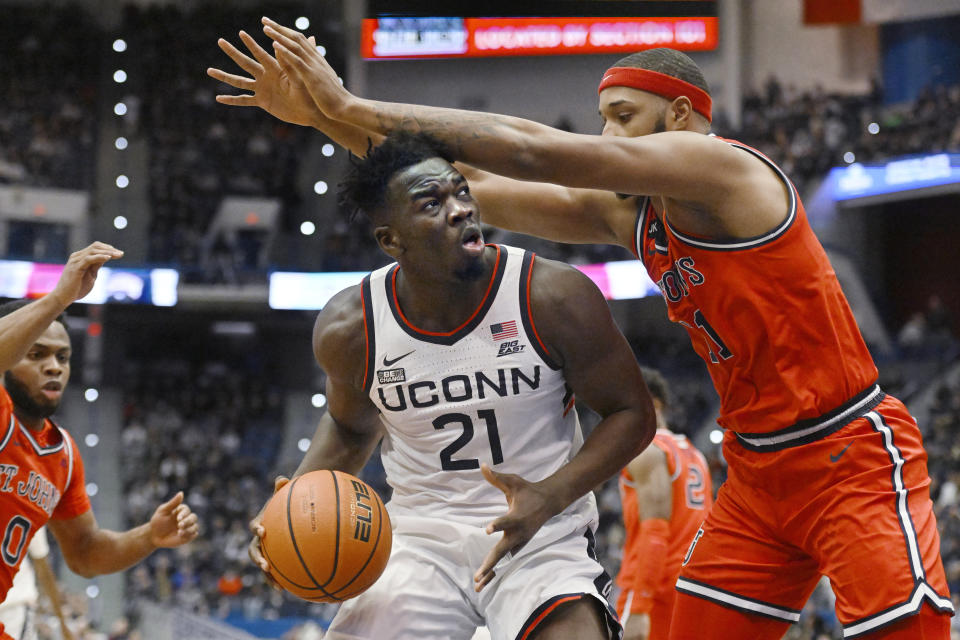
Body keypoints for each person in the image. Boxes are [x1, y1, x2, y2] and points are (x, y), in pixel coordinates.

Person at [209, 20, 953, 639]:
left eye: (623, 118)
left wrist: (353, 101)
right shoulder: (634, 216)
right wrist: (324, 121)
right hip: (758, 475)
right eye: (602, 118)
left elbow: (531, 152)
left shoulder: (729, 174)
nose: (605, 134)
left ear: (683, 120)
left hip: (846, 453)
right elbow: (473, 194)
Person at [246, 131, 657, 639]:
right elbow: (350, 429)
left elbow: (632, 413)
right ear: (391, 240)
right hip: (419, 538)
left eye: (461, 192)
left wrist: (551, 495)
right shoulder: (351, 328)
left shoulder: (552, 295)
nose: (461, 209)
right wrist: (286, 514)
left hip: (543, 534)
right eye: (431, 203)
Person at [0, 242, 200, 640]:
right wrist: (59, 298)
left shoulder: (63, 455)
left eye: (63, 357)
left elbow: (86, 553)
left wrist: (148, 536)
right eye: (36, 354)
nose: (54, 367)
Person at [615, 368, 712, 640]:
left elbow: (654, 533)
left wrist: (640, 607)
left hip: (654, 589)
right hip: (692, 588)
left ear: (654, 404)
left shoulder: (648, 451)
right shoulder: (697, 456)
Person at [0, 527, 74, 640]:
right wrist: (62, 621)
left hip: (14, 607)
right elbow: (44, 570)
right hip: (14, 606)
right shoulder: (30, 511)